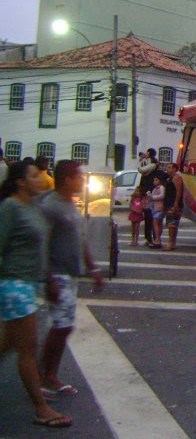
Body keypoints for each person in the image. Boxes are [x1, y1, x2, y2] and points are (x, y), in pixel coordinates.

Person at [0, 161, 72, 428]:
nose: (39, 178)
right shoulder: (10, 207)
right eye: (33, 175)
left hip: (29, 284)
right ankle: (41, 409)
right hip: (13, 285)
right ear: (20, 181)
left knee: (8, 344)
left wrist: (47, 278)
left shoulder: (33, 205)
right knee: (28, 350)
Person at [39, 160, 104, 402]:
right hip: (57, 274)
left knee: (63, 326)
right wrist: (48, 279)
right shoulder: (50, 206)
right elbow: (42, 243)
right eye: (79, 176)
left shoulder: (70, 206)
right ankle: (45, 376)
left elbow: (82, 239)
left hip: (71, 274)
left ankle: (47, 374)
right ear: (66, 179)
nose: (82, 181)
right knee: (60, 327)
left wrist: (93, 268)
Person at [138, 148, 158, 246]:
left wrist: (141, 161)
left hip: (150, 192)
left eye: (147, 152)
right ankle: (148, 237)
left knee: (151, 217)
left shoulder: (153, 163)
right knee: (147, 216)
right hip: (146, 191)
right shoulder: (146, 162)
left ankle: (153, 238)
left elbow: (142, 170)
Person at [162, 163, 183, 251]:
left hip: (173, 204)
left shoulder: (176, 177)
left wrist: (176, 203)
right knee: (172, 224)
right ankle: (172, 242)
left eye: (170, 167)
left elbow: (179, 191)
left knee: (172, 224)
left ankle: (171, 242)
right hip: (169, 203)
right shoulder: (169, 178)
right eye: (167, 167)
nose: (168, 169)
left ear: (175, 169)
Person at [149, 175, 165, 248]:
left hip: (160, 207)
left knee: (156, 222)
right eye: (154, 180)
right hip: (154, 207)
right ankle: (157, 238)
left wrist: (153, 197)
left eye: (156, 180)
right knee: (157, 223)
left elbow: (162, 196)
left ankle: (158, 238)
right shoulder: (154, 189)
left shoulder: (161, 188)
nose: (155, 182)